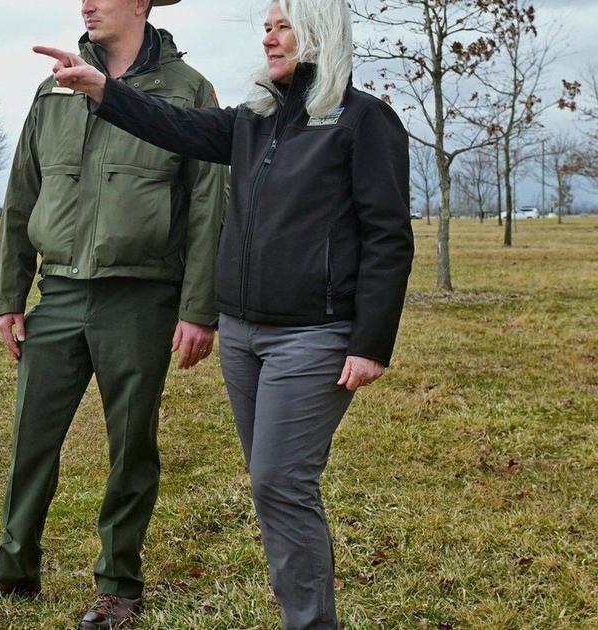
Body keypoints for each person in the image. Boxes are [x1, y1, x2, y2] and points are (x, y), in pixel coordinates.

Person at [35, 0, 415, 627]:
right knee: (274, 486)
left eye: (282, 25)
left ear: (319, 33)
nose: (268, 38)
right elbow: (175, 125)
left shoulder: (363, 121)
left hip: (312, 336)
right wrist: (105, 89)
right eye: (265, 27)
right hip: (243, 334)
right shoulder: (254, 122)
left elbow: (388, 236)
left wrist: (370, 342)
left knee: (279, 483)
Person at [0, 1, 228, 628]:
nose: (87, 3)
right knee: (30, 437)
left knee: (130, 446)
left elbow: (209, 207)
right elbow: (22, 193)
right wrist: (8, 296)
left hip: (141, 297)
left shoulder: (189, 91)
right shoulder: (55, 90)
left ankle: (120, 584)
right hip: (60, 293)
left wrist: (198, 308)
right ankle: (14, 569)